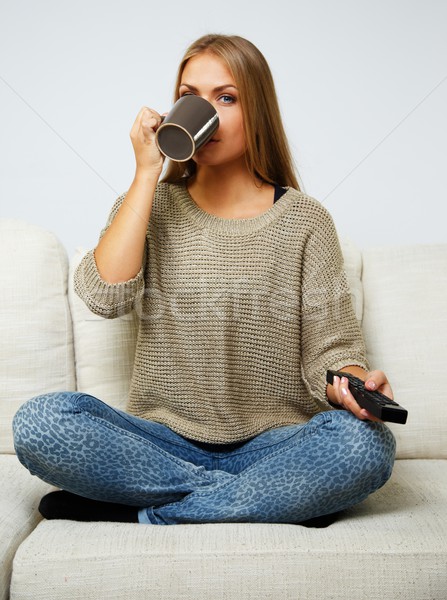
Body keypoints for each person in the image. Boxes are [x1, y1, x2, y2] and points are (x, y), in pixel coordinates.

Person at [13, 34, 396, 526]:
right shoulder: (152, 204)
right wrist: (147, 174)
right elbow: (103, 296)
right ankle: (269, 502)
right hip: (161, 443)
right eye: (191, 97)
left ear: (256, 111)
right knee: (40, 422)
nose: (206, 112)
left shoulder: (306, 220)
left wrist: (361, 387)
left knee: (366, 444)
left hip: (273, 444)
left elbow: (332, 351)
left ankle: (152, 511)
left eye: (226, 97)